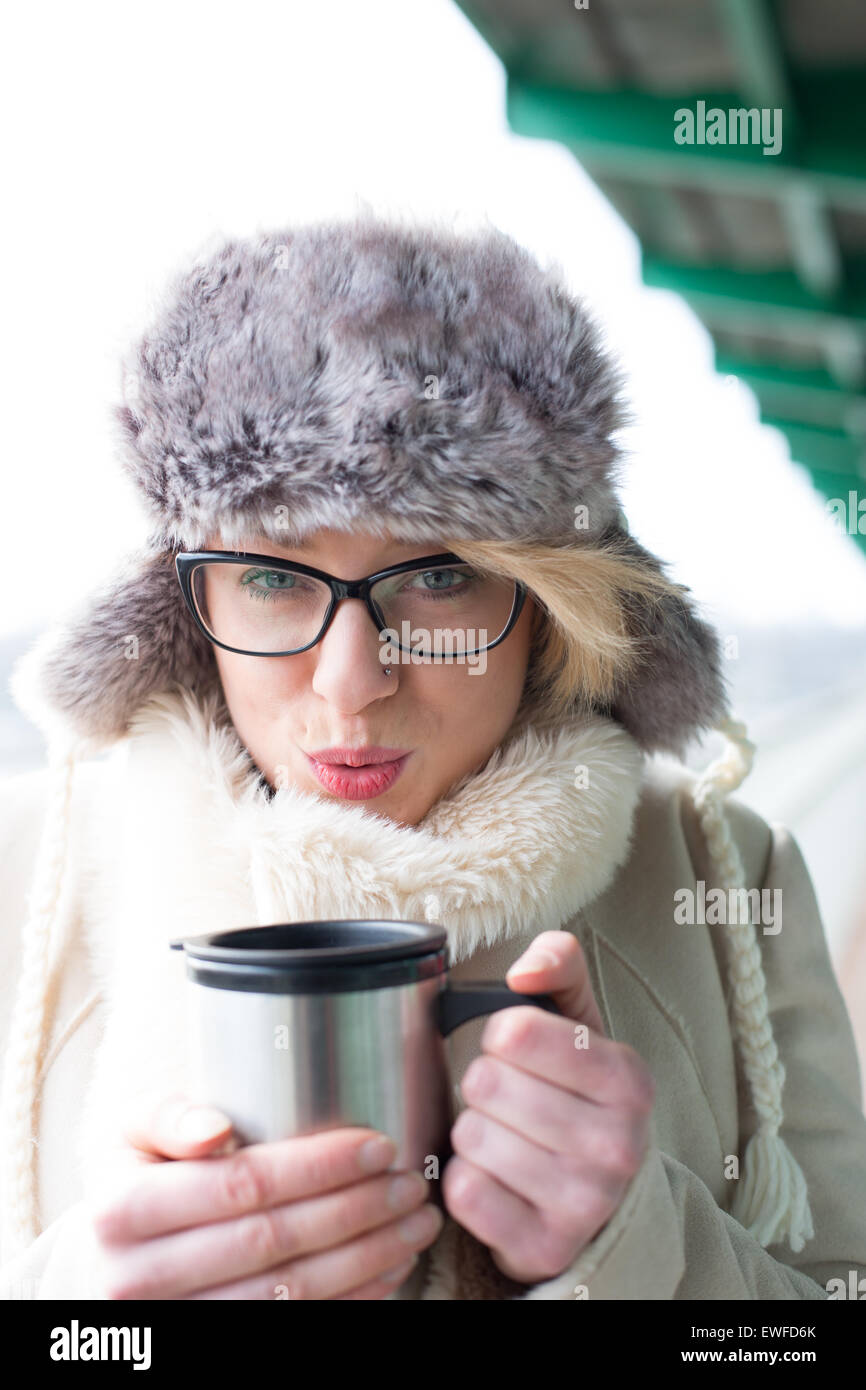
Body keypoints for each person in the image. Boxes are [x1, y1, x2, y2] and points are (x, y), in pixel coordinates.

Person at [1, 211, 865, 1301]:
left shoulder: (721, 876)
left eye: (437, 576)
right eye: (273, 578)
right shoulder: (20, 873)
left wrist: (634, 1247)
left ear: (548, 602)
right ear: (188, 597)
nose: (351, 681)